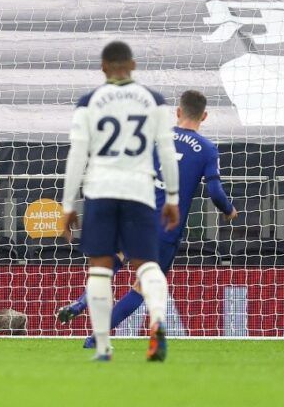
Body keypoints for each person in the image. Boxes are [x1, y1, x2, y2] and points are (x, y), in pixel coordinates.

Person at [57, 90, 238, 347]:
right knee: (141, 289)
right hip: (165, 230)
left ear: (178, 112)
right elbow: (215, 192)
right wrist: (229, 210)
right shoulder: (207, 150)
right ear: (204, 116)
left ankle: (80, 303)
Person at [61, 41, 180, 362]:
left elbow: (77, 155)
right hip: (139, 192)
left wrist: (68, 203)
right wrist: (172, 197)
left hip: (101, 190)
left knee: (100, 269)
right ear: (133, 64)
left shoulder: (90, 101)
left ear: (103, 67)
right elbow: (167, 152)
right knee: (147, 265)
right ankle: (157, 324)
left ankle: (102, 345)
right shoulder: (152, 100)